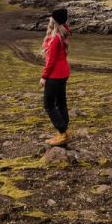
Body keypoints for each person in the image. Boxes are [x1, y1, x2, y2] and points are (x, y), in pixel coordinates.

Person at [40, 8, 71, 146]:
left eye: (51, 18)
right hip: (63, 73)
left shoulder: (55, 38)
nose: (49, 20)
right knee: (61, 103)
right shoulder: (63, 33)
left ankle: (62, 132)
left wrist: (44, 77)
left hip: (55, 75)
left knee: (49, 105)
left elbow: (51, 61)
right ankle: (62, 132)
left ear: (54, 20)